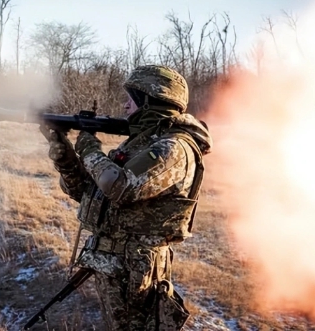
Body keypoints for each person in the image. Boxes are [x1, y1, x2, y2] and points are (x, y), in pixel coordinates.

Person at [40, 65, 213, 330]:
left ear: (150, 100)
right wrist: (65, 157)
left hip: (136, 271)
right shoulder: (139, 144)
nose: (124, 105)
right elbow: (90, 192)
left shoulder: (174, 148)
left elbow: (120, 186)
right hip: (117, 264)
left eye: (130, 98)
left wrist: (89, 148)